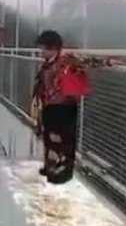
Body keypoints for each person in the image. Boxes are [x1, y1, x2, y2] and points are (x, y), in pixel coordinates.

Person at [31, 30, 119, 184]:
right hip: (50, 106)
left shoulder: (66, 59)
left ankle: (61, 173)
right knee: (50, 138)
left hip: (64, 107)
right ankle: (50, 167)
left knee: (63, 141)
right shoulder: (47, 63)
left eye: (43, 48)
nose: (41, 52)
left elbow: (86, 61)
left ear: (53, 48)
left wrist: (107, 62)